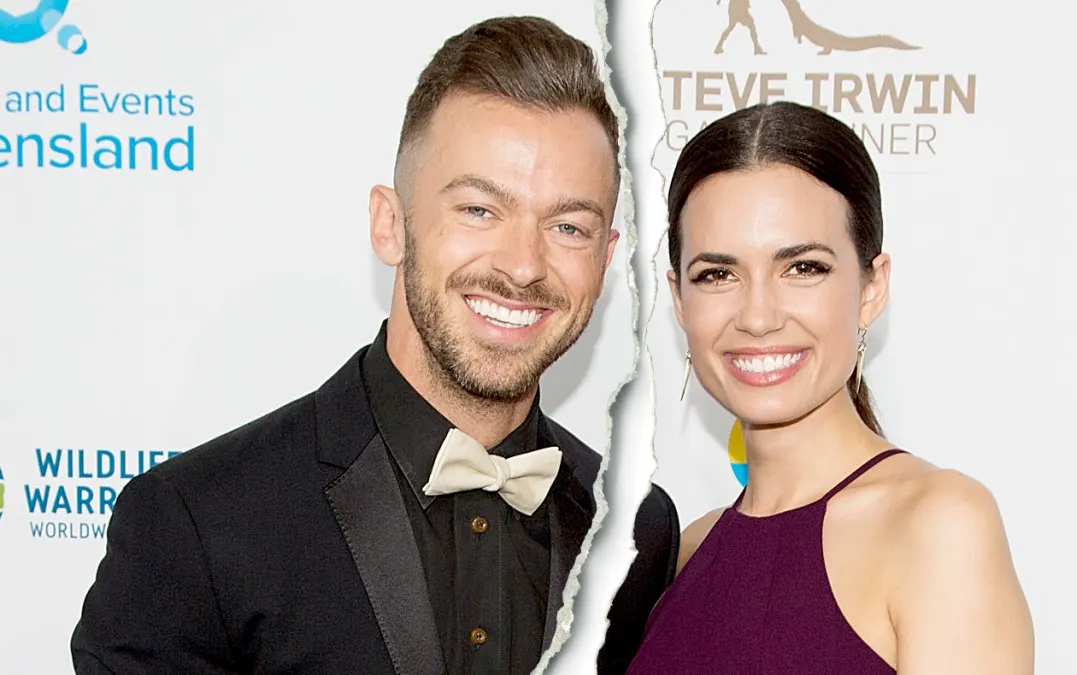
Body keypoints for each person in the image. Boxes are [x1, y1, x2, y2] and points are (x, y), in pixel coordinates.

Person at [70, 16, 678, 675]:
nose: (524, 264)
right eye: (479, 210)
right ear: (390, 225)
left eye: (567, 226)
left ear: (605, 259)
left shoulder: (637, 529)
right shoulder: (198, 525)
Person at [626, 101, 1034, 674]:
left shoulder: (938, 526)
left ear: (871, 288)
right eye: (718, 274)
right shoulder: (685, 550)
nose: (758, 316)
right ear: (679, 300)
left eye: (803, 268)